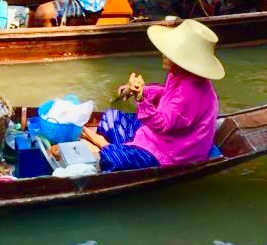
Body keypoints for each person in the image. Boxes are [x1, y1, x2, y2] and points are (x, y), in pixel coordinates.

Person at [82, 19, 224, 172]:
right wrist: (141, 90)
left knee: (113, 158)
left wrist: (141, 99)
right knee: (111, 118)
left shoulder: (190, 91)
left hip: (176, 151)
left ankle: (106, 145)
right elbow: (166, 94)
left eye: (169, 53)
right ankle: (119, 145)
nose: (163, 55)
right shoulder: (180, 75)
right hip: (162, 138)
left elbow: (163, 124)